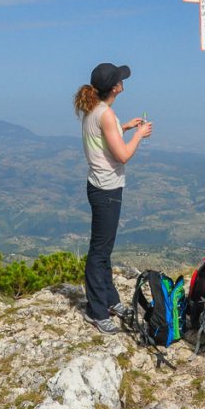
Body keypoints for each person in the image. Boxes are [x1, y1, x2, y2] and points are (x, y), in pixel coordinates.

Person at [73, 62, 153, 334]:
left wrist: (126, 127)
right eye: (120, 79)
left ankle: (109, 300)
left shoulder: (93, 108)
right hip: (107, 189)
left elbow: (104, 139)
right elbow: (122, 156)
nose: (123, 82)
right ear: (115, 87)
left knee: (104, 249)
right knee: (99, 252)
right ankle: (96, 310)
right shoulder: (105, 114)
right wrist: (139, 136)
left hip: (98, 185)